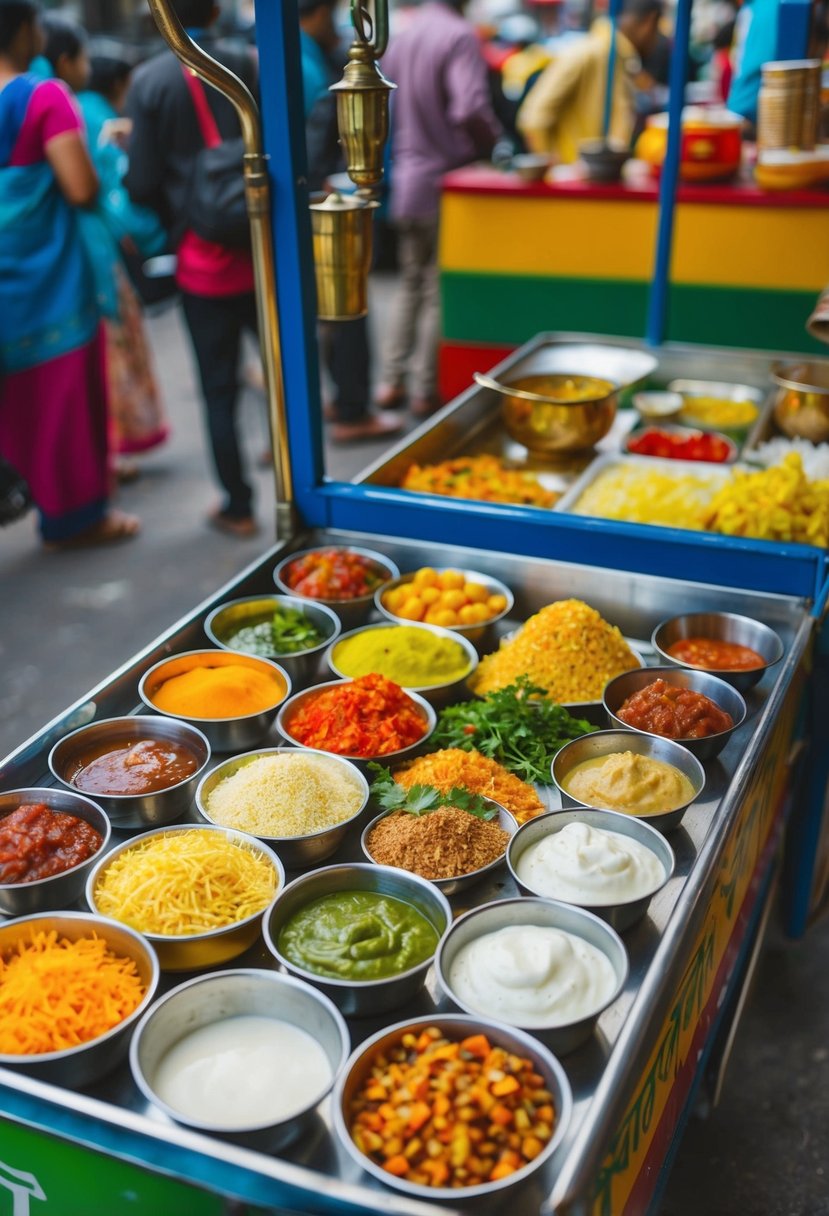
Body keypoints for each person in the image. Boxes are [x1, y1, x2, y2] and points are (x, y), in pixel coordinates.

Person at [0, 0, 140, 549]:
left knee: (19, 396)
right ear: (24, 28)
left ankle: (32, 491)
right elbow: (80, 188)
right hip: (49, 271)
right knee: (64, 391)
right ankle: (77, 518)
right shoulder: (42, 95)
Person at [124, 0, 259, 538]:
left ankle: (239, 506)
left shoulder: (151, 81)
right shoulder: (248, 61)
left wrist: (180, 218)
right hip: (262, 251)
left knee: (219, 390)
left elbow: (139, 182)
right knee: (283, 375)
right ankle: (300, 491)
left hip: (202, 264)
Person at [39, 19, 169, 475]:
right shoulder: (56, 103)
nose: (87, 67)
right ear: (63, 61)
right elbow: (85, 188)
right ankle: (104, 454)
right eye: (83, 58)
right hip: (87, 254)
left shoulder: (47, 101)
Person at [376, 0, 501, 419]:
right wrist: (493, 144)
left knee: (411, 283)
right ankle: (424, 390)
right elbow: (469, 108)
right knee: (435, 288)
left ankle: (391, 381)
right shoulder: (458, 35)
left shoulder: (403, 33)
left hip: (405, 181)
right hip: (444, 184)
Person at [298, 0, 403, 443]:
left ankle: (341, 401)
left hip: (314, 199)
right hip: (322, 202)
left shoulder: (291, 56)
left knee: (327, 310)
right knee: (344, 307)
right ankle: (351, 408)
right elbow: (313, 145)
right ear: (317, 12)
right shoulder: (302, 66)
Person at [516, 0, 663, 164]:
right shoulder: (589, 53)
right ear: (650, 22)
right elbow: (534, 118)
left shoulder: (619, 57)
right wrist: (556, 170)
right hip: (577, 182)